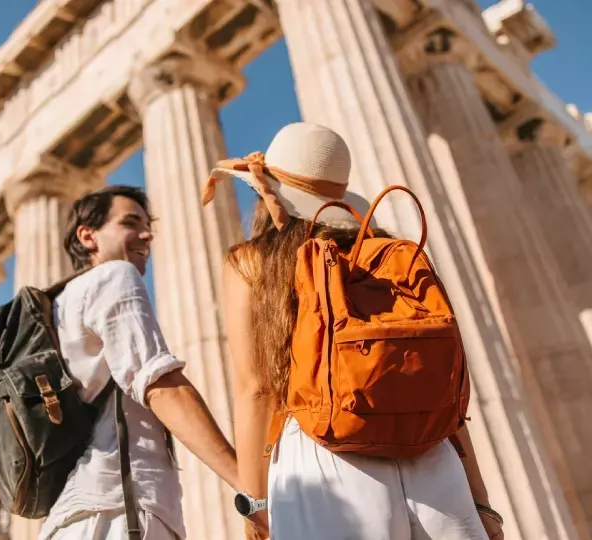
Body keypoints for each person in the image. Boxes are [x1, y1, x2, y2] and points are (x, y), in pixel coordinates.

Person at [204, 122, 504, 540]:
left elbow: (255, 389)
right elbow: (439, 382)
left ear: (264, 194)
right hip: (433, 461)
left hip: (324, 459)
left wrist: (255, 504)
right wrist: (481, 502)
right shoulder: (390, 260)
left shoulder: (252, 262)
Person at [38, 185, 241, 540]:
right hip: (118, 512)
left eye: (148, 225)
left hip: (74, 516)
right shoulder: (115, 275)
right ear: (88, 236)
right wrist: (249, 485)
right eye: (130, 222)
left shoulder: (59, 306)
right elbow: (160, 387)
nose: (147, 235)